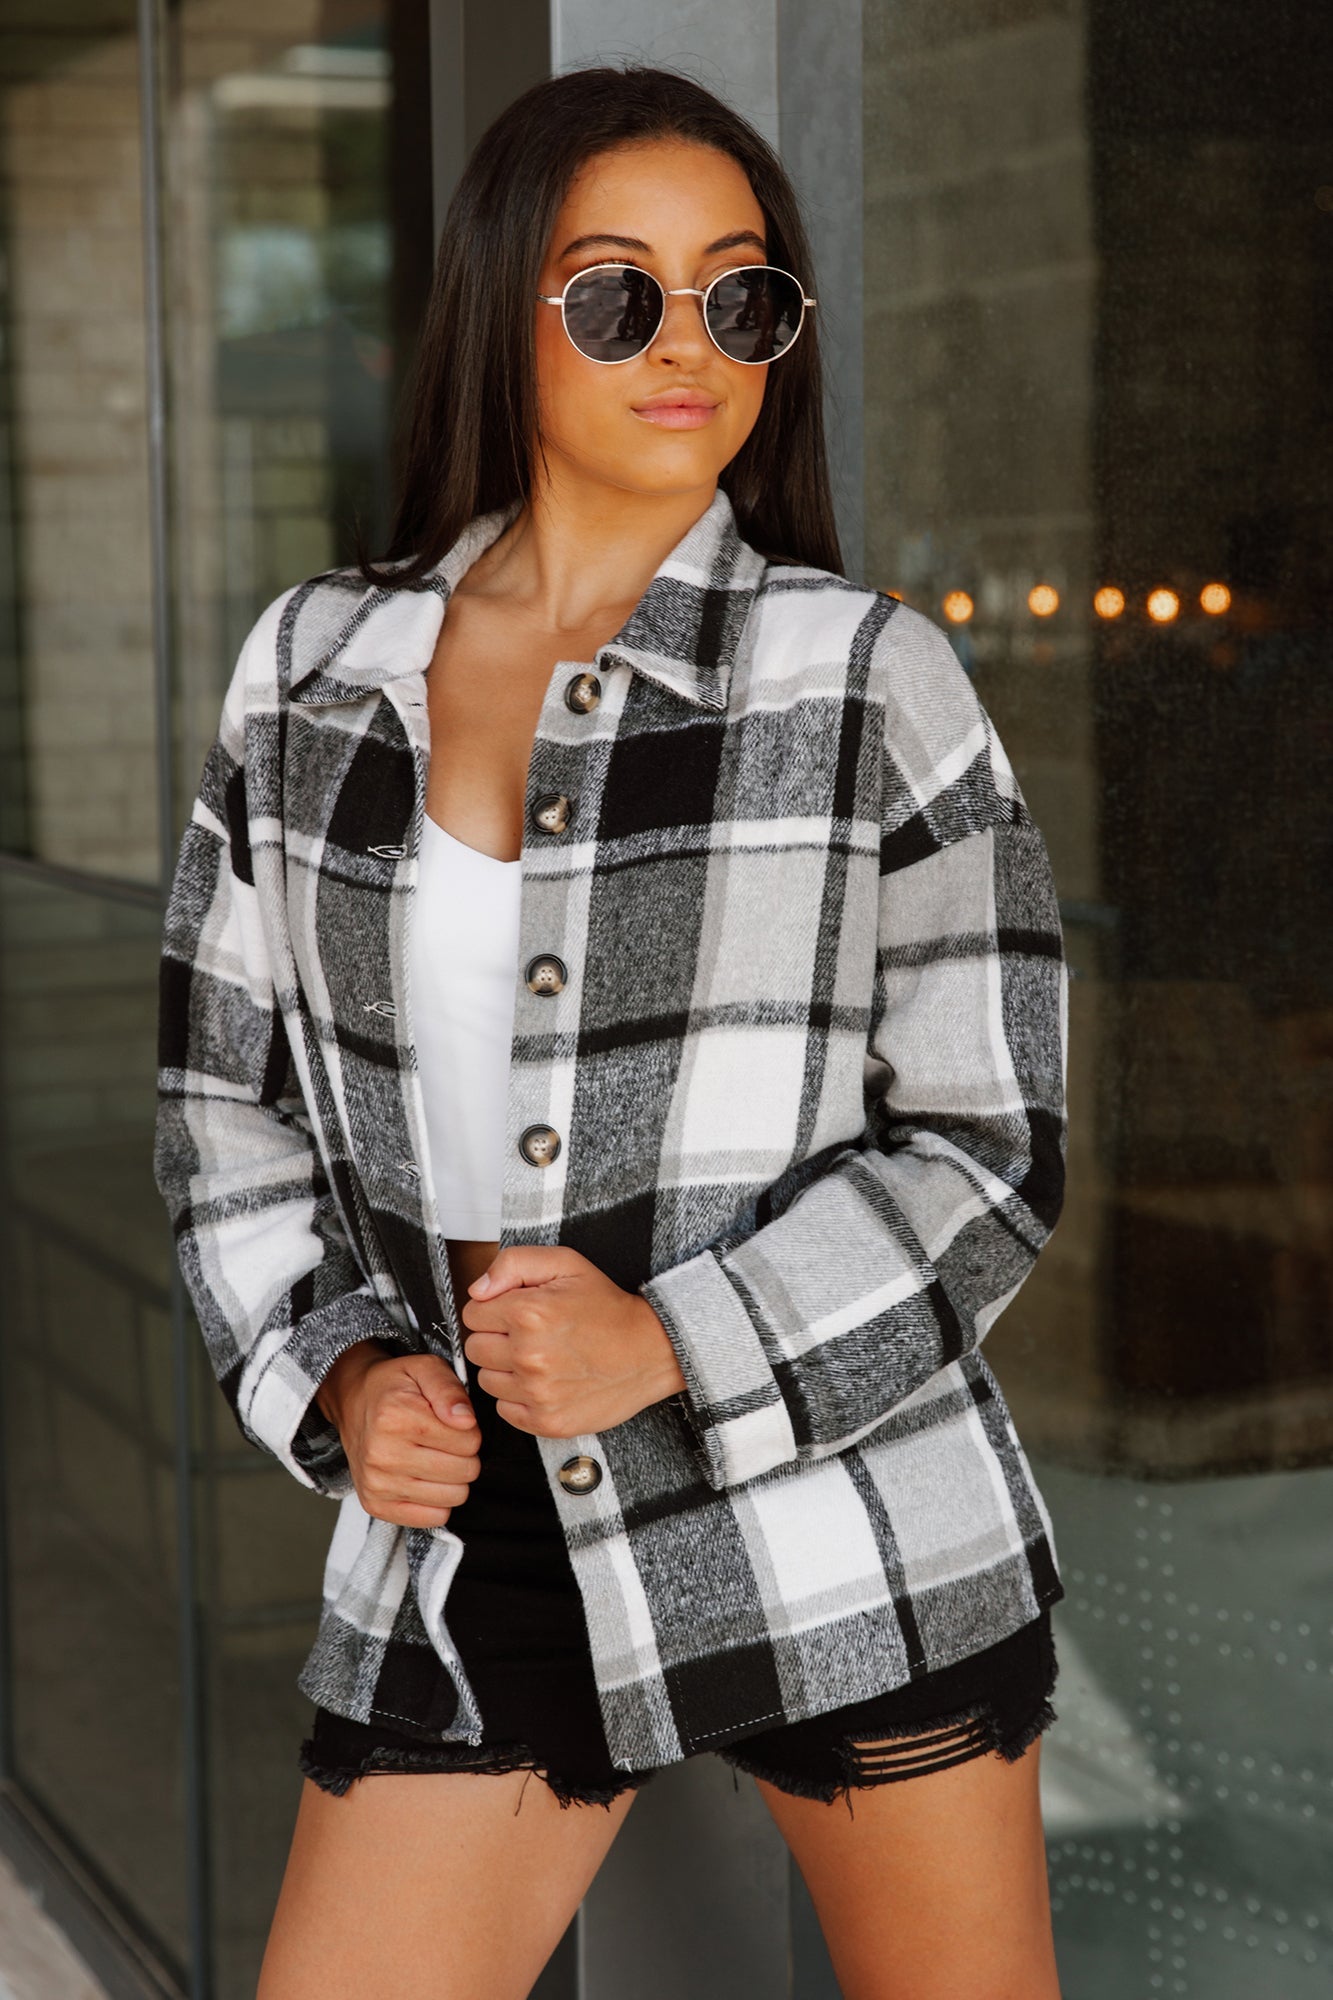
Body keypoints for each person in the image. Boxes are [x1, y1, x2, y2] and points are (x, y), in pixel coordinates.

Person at [154, 60, 1069, 2000]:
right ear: (507, 308)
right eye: (617, 293)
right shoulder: (312, 675)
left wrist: (673, 1342)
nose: (687, 344)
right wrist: (334, 1373)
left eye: (740, 295)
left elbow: (988, 1145)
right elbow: (222, 1101)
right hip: (474, 1535)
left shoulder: (865, 680)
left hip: (845, 1511)